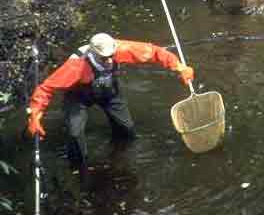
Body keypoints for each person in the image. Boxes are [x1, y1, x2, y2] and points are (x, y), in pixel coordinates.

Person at [26, 33, 195, 170]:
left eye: (111, 56)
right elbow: (46, 88)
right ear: (93, 53)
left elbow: (154, 52)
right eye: (103, 58)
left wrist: (180, 67)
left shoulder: (119, 49)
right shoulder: (76, 66)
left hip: (109, 91)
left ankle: (119, 157)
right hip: (79, 96)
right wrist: (34, 116)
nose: (109, 60)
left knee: (127, 130)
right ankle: (78, 167)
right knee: (75, 134)